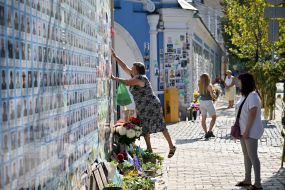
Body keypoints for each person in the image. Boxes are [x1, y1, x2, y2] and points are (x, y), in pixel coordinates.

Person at [111, 49, 176, 158]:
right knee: (144, 127)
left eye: (133, 68)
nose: (131, 69)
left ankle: (171, 146)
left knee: (160, 125)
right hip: (142, 107)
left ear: (137, 70)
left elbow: (127, 83)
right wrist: (115, 57)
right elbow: (124, 67)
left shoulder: (141, 78)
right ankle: (149, 149)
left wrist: (114, 78)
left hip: (151, 105)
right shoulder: (135, 76)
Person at [235, 73, 264, 190]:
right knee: (246, 156)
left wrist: (246, 131)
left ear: (245, 82)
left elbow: (252, 114)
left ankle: (258, 183)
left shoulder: (252, 96)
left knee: (253, 156)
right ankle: (247, 180)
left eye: (240, 81)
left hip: (250, 131)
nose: (238, 84)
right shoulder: (245, 95)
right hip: (244, 130)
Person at [198, 73, 217, 138]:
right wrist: (214, 94)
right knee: (214, 117)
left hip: (201, 102)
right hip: (208, 102)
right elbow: (212, 96)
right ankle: (209, 131)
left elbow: (199, 93)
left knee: (203, 118)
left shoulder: (200, 85)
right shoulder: (209, 85)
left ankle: (206, 133)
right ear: (207, 78)